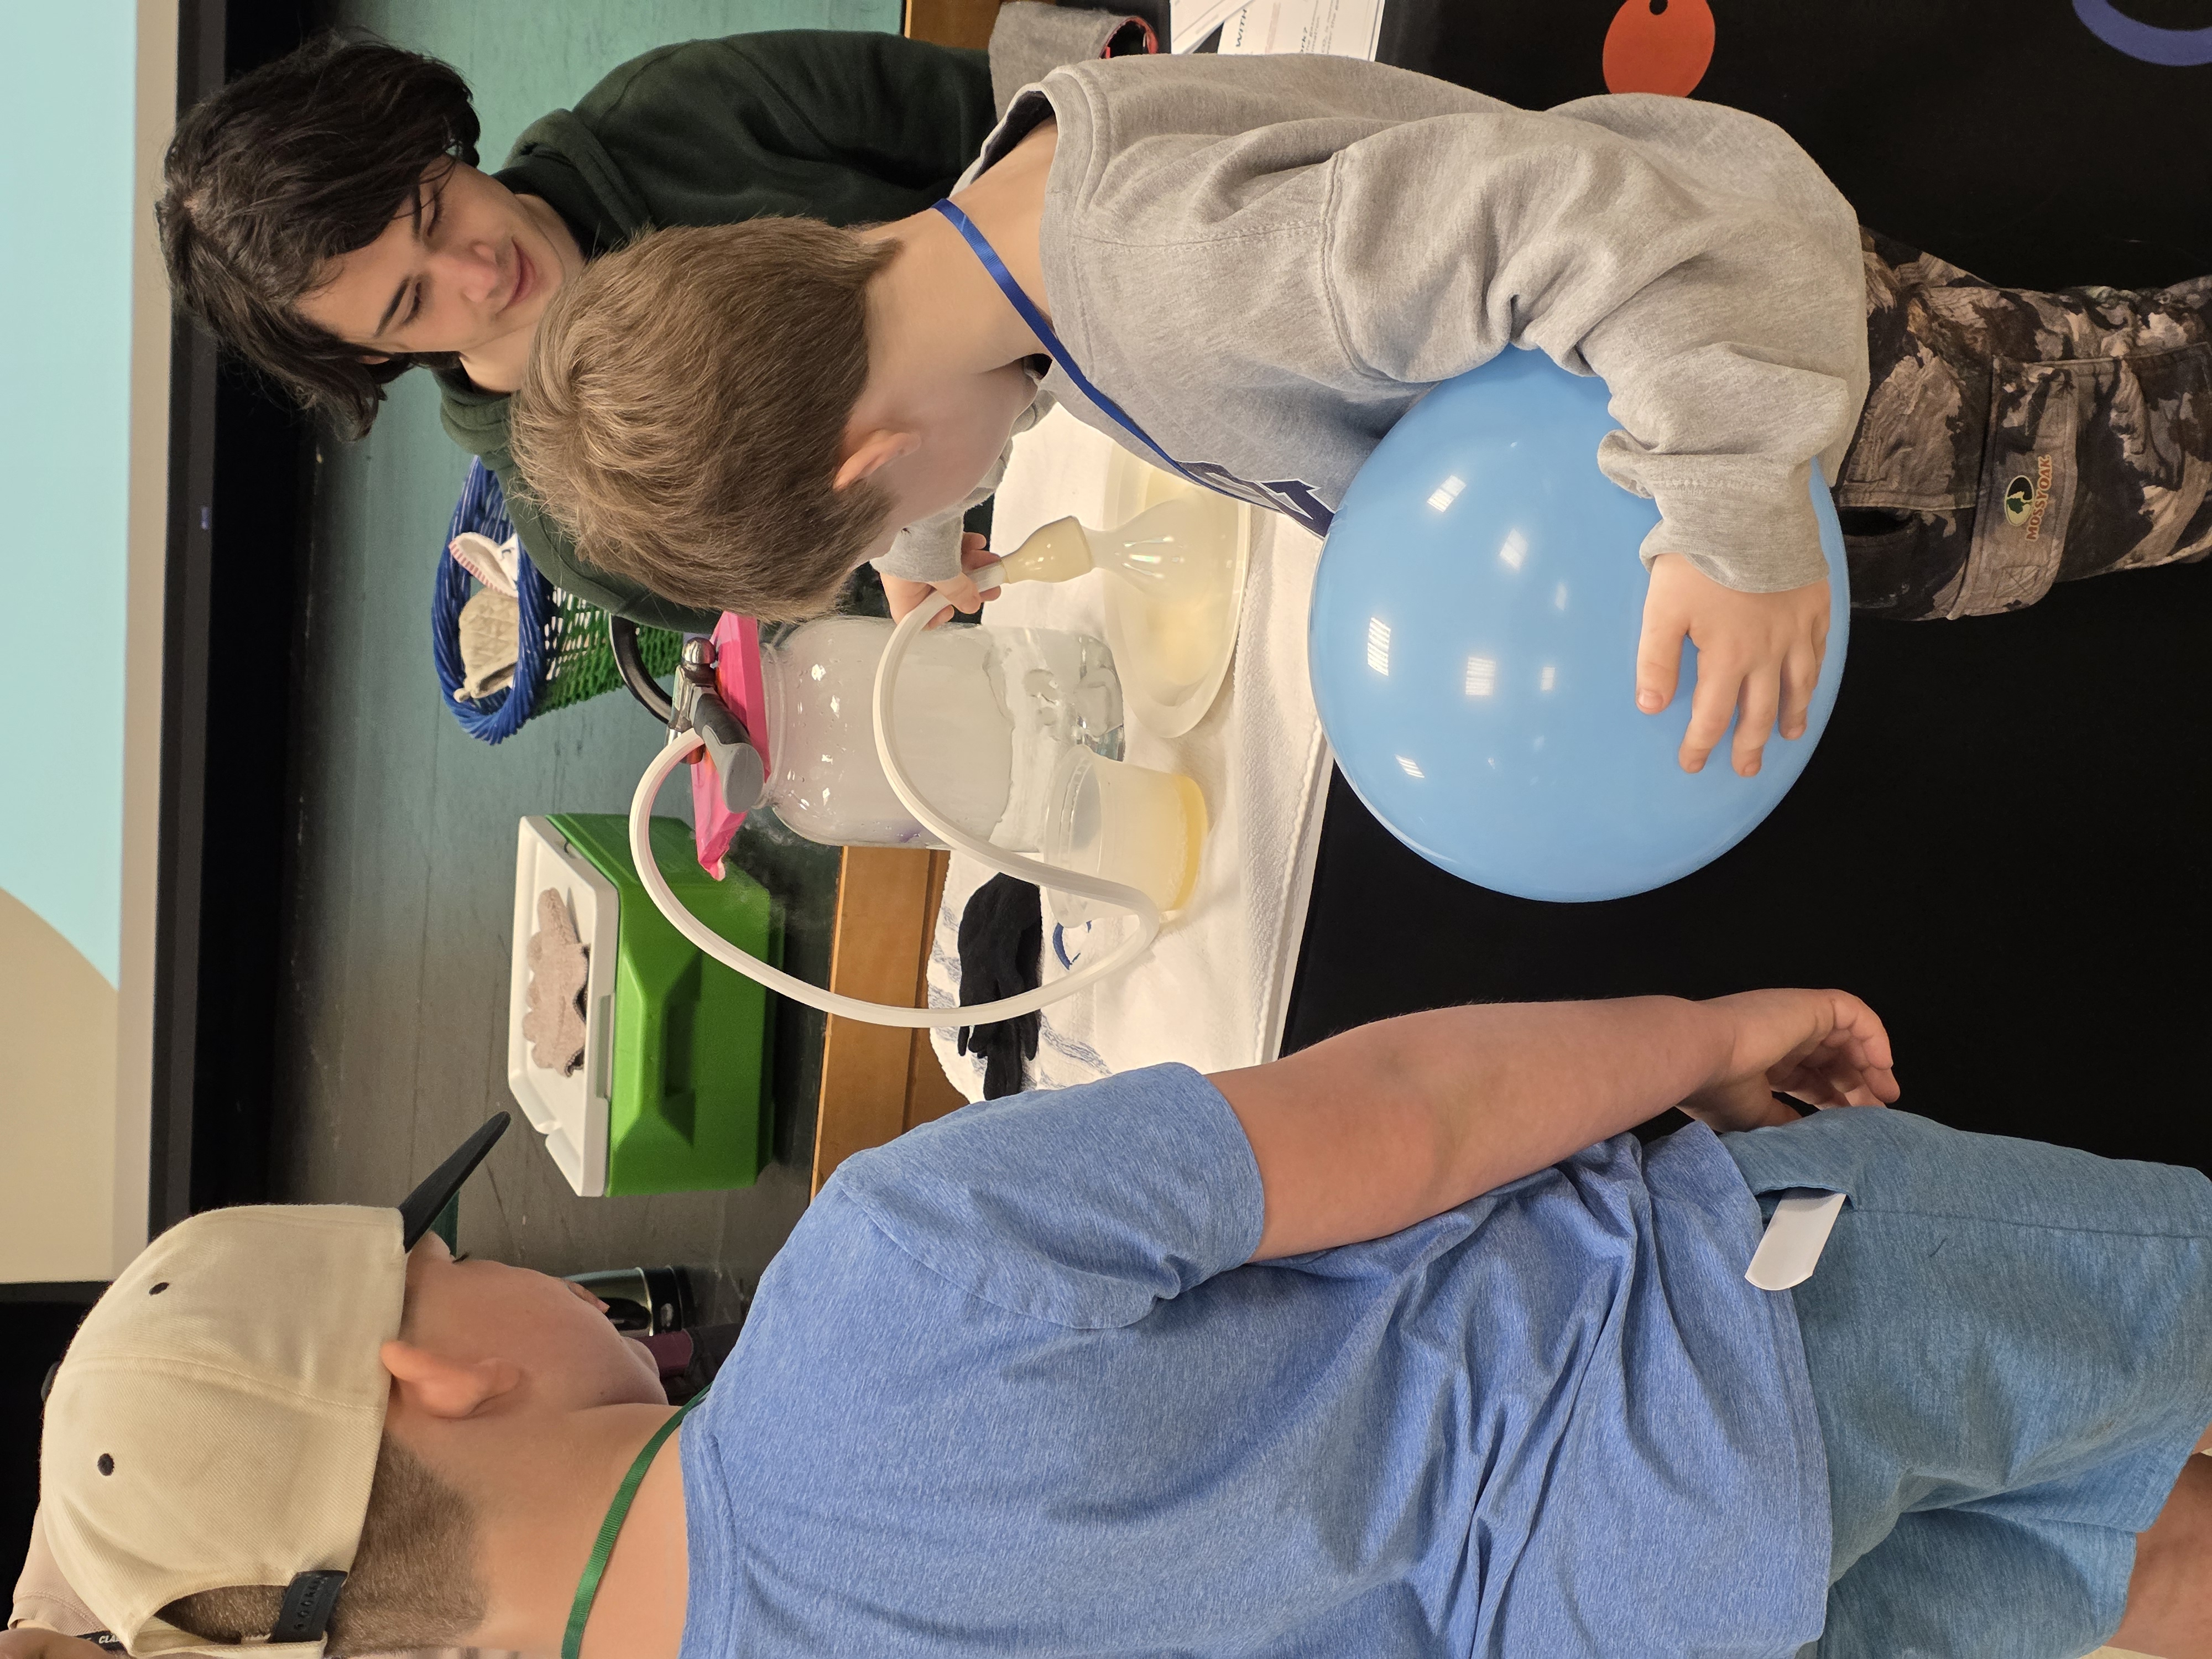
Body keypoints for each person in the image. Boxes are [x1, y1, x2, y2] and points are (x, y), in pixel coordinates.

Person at [7, 989, 2211, 1659]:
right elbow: (1410, 1111)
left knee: (2133, 1590)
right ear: (431, 1370)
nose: (499, 1271)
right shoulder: (884, 1270)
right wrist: (1716, 1030)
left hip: (1662, 1634)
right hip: (1723, 1355)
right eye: (442, 1264)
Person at [507, 50, 2212, 779]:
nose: (911, 531)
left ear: (866, 457)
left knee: (2164, 434)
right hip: (1776, 396)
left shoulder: (1176, 282)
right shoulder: (1009, 201)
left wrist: (1733, 512)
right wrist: (925, 537)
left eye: (882, 518)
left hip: (1834, 433)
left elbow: (1594, 233)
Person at [155, 9, 1149, 633]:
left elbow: (1040, 100)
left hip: (1141, 258)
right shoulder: (580, 526)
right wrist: (932, 573)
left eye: (434, 203)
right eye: (412, 300)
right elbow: (902, 598)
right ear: (369, 353)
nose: (478, 268)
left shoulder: (676, 110)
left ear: (433, 138)